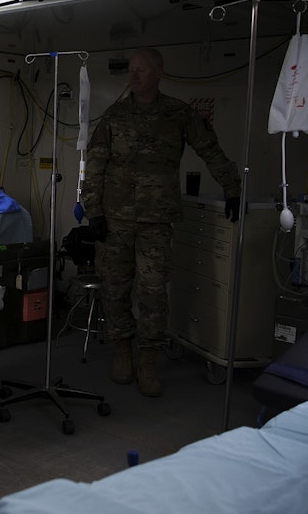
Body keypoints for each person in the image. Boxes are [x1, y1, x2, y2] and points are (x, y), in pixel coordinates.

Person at [81, 47, 241, 398]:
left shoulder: (178, 114)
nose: (134, 76)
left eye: (141, 70)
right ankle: (123, 351)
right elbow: (94, 164)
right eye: (132, 70)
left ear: (158, 72)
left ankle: (149, 360)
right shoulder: (114, 116)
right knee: (115, 289)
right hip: (115, 220)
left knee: (153, 293)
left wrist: (232, 188)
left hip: (156, 220)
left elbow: (210, 150)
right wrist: (92, 210)